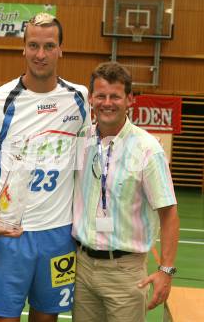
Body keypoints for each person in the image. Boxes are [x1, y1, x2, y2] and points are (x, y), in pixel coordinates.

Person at [0, 13, 91, 322]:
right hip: (11, 233)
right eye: (33, 45)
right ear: (23, 49)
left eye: (49, 46)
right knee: (4, 318)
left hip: (59, 234)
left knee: (47, 318)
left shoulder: (80, 99)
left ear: (61, 49)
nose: (40, 54)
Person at [72, 61, 179, 322]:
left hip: (126, 272)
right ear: (92, 99)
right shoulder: (80, 141)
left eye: (115, 96)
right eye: (101, 96)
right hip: (82, 268)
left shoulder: (148, 149)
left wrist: (165, 270)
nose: (107, 103)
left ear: (130, 99)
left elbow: (169, 213)